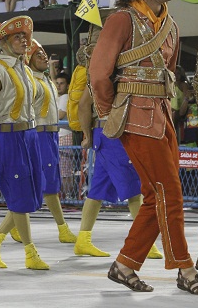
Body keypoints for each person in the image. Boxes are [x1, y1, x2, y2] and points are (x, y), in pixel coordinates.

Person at [89, 0, 198, 295]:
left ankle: (125, 264)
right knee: (170, 194)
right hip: (134, 117)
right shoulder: (121, 20)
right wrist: (108, 115)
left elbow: (170, 75)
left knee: (157, 196)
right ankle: (186, 270)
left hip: (162, 117)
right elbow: (98, 74)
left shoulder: (171, 26)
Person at [75, 44, 162, 259]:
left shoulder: (112, 73)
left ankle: (83, 240)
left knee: (97, 191)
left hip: (111, 134)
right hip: (110, 134)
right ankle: (145, 242)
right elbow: (83, 106)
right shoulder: (100, 75)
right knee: (134, 189)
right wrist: (86, 135)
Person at [0, 16, 49, 270]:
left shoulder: (26, 69)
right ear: (4, 42)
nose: (24, 40)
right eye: (17, 37)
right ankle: (30, 254)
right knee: (21, 196)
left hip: (29, 135)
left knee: (30, 195)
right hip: (9, 136)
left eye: (25, 37)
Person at [9, 38, 77, 244]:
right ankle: (61, 228)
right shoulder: (29, 78)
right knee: (44, 186)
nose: (44, 57)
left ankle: (14, 228)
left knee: (48, 185)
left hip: (51, 135)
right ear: (28, 60)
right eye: (38, 55)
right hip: (39, 134)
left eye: (44, 54)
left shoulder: (45, 78)